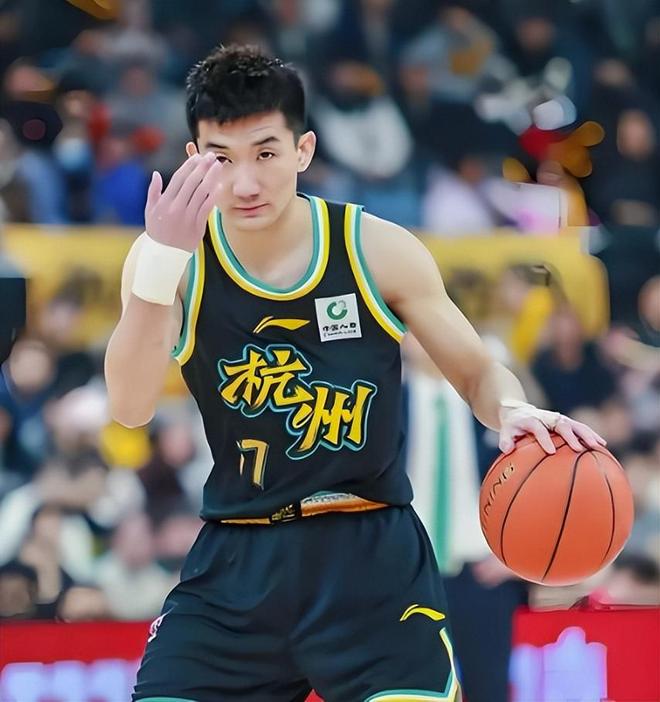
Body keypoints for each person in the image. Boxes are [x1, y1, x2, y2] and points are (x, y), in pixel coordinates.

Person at [104, 44, 605, 702]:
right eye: (222, 159)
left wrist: (513, 410)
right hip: (238, 557)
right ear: (194, 158)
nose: (245, 182)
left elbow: (477, 370)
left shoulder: (377, 248)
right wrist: (160, 264)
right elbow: (130, 405)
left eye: (265, 153)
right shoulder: (170, 260)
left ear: (304, 150)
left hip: (371, 558)